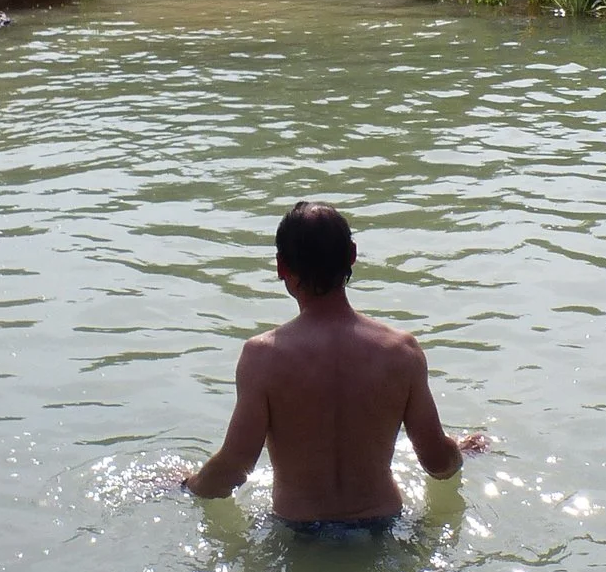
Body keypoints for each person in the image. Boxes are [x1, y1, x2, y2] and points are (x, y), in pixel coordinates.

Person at [187, 202, 486, 529]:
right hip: (383, 528)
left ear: (281, 267)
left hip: (296, 534)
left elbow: (233, 469)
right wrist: (458, 451)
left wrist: (187, 484)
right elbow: (437, 463)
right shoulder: (401, 352)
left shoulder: (262, 358)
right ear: (353, 255)